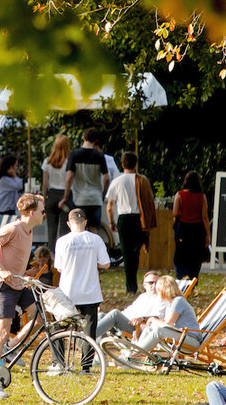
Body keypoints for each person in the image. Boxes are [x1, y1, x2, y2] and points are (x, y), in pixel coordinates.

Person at [0, 193, 46, 399]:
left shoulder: (28, 231)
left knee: (40, 317)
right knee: (2, 331)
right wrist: (0, 269)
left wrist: (25, 274)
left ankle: (11, 345)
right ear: (32, 212)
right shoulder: (13, 228)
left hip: (18, 284)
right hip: (2, 285)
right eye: (43, 211)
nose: (45, 214)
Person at [105, 152, 156, 295]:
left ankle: (130, 285)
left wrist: (111, 221)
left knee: (126, 253)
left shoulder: (117, 181)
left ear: (122, 164)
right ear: (136, 164)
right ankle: (133, 284)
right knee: (135, 252)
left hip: (123, 218)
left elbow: (110, 206)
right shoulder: (142, 180)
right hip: (138, 219)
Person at [52, 208, 109, 333]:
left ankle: (58, 352)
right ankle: (87, 353)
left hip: (69, 291)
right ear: (85, 222)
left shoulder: (62, 241)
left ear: (69, 223)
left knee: (58, 328)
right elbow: (106, 264)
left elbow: (60, 268)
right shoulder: (96, 239)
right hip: (91, 294)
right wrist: (93, 262)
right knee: (89, 332)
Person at [59, 133, 109, 245]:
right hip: (95, 199)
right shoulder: (100, 156)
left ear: (83, 138)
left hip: (79, 199)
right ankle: (94, 255)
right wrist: (103, 194)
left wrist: (65, 197)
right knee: (94, 230)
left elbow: (69, 177)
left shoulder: (74, 154)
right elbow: (106, 178)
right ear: (96, 141)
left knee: (78, 228)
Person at [171, 171, 211, 279]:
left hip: (183, 228)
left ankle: (183, 275)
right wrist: (208, 234)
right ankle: (193, 279)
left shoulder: (179, 195)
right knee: (196, 257)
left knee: (180, 255)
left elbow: (174, 213)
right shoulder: (202, 197)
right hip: (197, 229)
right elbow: (204, 217)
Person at [41, 134, 72, 245]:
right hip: (66, 196)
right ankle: (63, 257)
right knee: (65, 230)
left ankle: (51, 257)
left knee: (51, 230)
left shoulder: (47, 162)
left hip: (52, 195)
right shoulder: (69, 162)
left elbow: (45, 184)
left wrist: (44, 200)